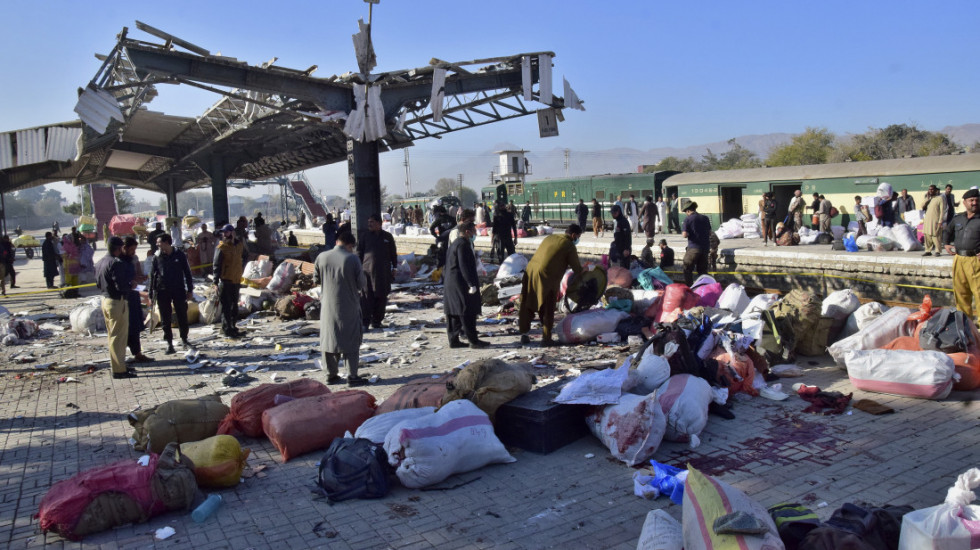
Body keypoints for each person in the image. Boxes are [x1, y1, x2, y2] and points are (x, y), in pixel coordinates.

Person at [315, 231, 368, 387]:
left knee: (329, 339)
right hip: (349, 306)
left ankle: (330, 375)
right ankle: (352, 376)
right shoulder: (352, 259)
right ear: (349, 245)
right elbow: (361, 284)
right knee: (351, 340)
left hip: (327, 308)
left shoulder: (321, 257)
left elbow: (316, 279)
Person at [518, 225, 584, 347]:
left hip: (531, 271)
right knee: (548, 305)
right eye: (578, 237)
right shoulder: (569, 245)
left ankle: (524, 334)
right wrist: (585, 271)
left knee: (528, 301)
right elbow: (577, 269)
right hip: (546, 276)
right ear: (574, 235)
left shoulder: (550, 237)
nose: (577, 240)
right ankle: (546, 338)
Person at [95, 237, 136, 379]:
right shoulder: (116, 263)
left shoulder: (101, 262)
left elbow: (98, 284)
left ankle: (119, 366)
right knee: (119, 337)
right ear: (118, 249)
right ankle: (119, 370)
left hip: (105, 300)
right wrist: (131, 286)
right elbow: (121, 285)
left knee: (113, 336)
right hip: (117, 302)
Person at [444, 222, 488, 349]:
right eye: (473, 230)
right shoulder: (463, 245)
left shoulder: (455, 244)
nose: (475, 233)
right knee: (467, 311)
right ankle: (473, 341)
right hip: (460, 284)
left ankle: (453, 340)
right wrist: (471, 284)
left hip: (451, 283)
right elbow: (464, 266)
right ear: (468, 232)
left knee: (454, 312)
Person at [150, 233, 195, 354]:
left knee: (182, 315)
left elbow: (187, 272)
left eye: (159, 242)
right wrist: (151, 292)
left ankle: (184, 339)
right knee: (165, 318)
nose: (157, 244)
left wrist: (190, 290)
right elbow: (153, 275)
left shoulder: (179, 255)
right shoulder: (157, 257)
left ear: (166, 242)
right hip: (162, 291)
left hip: (178, 289)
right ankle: (169, 343)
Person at [944, 188, 980, 319]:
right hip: (959, 259)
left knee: (979, 293)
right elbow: (947, 231)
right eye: (971, 200)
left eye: (977, 200)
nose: (974, 203)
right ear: (964, 202)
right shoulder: (958, 218)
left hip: (976, 261)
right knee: (961, 293)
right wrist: (946, 243)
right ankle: (965, 324)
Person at [357, 214, 398, 330]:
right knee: (366, 297)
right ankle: (365, 321)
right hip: (367, 272)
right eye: (369, 222)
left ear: (380, 223)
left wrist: (395, 268)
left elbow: (393, 253)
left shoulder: (387, 237)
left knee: (381, 296)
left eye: (372, 222)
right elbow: (359, 253)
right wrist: (358, 269)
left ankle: (377, 321)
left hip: (383, 272)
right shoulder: (364, 236)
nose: (370, 224)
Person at [213, 224, 248, 338]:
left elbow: (245, 256)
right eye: (223, 232)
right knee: (226, 307)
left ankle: (233, 327)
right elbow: (216, 265)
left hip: (236, 280)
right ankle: (226, 329)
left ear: (232, 233)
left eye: (226, 232)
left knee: (234, 307)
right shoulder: (221, 247)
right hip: (225, 280)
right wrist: (215, 282)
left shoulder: (239, 245)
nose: (224, 234)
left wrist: (241, 267)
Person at [121, 237, 153, 363]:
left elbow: (136, 275)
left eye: (135, 249)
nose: (134, 252)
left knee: (135, 325)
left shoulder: (132, 259)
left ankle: (137, 353)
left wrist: (140, 278)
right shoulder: (118, 262)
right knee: (126, 326)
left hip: (133, 296)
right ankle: (121, 355)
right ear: (124, 248)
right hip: (124, 298)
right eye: (132, 249)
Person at [681, 202, 710, 286]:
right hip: (705, 248)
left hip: (694, 248)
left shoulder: (688, 219)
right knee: (702, 271)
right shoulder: (705, 218)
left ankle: (689, 288)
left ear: (688, 211)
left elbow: (684, 235)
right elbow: (709, 232)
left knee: (687, 268)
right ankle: (703, 287)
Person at [923, 185, 946, 256]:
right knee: (927, 235)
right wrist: (927, 198)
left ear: (936, 190)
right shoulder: (928, 199)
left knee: (936, 235)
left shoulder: (940, 198)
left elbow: (942, 210)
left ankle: (937, 251)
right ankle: (928, 250)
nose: (931, 191)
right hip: (927, 220)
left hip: (935, 220)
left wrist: (940, 221)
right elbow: (922, 206)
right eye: (929, 189)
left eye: (932, 189)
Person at [609, 204, 631, 269]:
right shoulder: (617, 221)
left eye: (614, 213)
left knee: (624, 268)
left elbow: (627, 236)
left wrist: (626, 249)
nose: (612, 215)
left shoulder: (623, 221)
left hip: (624, 249)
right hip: (619, 249)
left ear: (618, 212)